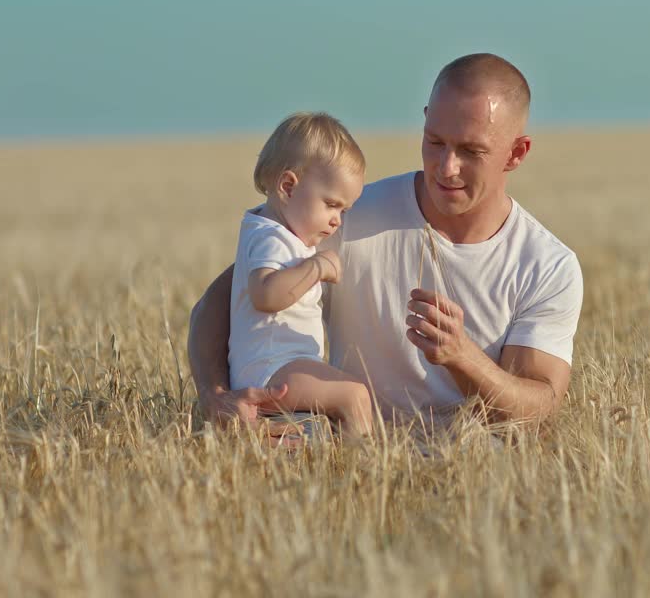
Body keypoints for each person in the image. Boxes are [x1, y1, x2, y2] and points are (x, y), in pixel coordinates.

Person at [188, 53, 582, 434]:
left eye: (471, 151)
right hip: (353, 465)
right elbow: (221, 304)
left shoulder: (548, 266)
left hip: (474, 479)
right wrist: (216, 397)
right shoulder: (343, 217)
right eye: (435, 142)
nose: (446, 167)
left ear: (516, 153)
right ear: (425, 122)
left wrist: (463, 357)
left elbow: (540, 408)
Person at [225, 111, 372, 435]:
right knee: (355, 396)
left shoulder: (278, 232)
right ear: (289, 187)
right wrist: (316, 267)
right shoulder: (271, 238)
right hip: (272, 369)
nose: (337, 221)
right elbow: (265, 294)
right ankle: (360, 470)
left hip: (276, 366)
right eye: (331, 205)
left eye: (343, 210)